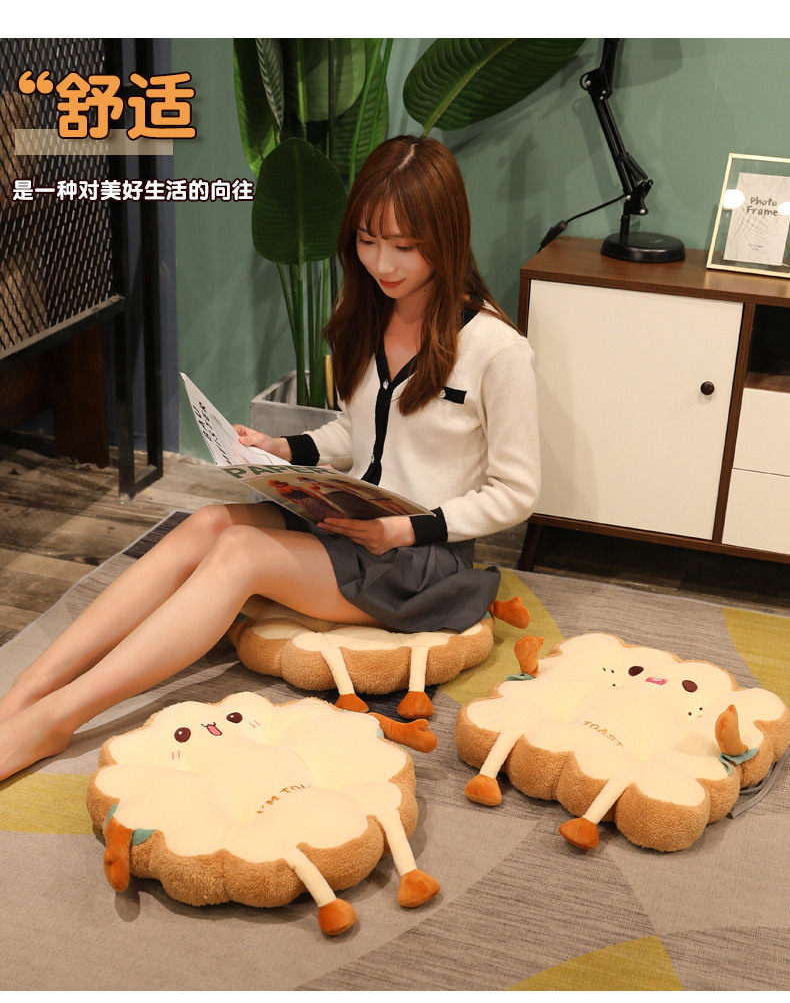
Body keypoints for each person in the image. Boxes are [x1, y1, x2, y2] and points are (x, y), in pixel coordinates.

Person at [0, 134, 540, 782]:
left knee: (240, 552)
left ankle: (60, 717)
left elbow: (516, 491)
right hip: (350, 519)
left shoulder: (497, 350)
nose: (382, 262)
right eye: (368, 240)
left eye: (405, 245)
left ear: (445, 238)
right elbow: (355, 432)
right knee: (205, 523)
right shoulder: (367, 315)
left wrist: (404, 528)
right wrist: (281, 449)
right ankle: (28, 689)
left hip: (420, 558)